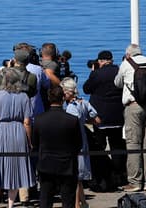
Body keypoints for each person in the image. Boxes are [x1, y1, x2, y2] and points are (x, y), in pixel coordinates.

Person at [0, 66, 34, 208]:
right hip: (18, 132)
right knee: (15, 169)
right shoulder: (24, 97)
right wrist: (29, 140)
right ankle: (11, 204)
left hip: (1, 132)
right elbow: (27, 121)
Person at [114, 42, 146, 191]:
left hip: (134, 106)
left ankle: (135, 181)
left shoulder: (126, 63)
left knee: (133, 143)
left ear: (128, 54)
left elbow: (118, 83)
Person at [30, 86, 80, 208]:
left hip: (46, 164)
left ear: (48, 98)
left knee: (45, 200)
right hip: (67, 164)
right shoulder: (72, 120)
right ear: (63, 99)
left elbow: (35, 143)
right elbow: (78, 144)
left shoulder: (39, 120)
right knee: (68, 201)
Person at [82, 50, 124, 192]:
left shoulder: (97, 74)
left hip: (100, 115)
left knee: (99, 146)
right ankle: (119, 175)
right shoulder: (119, 71)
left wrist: (93, 73)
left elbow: (86, 89)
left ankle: (101, 174)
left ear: (100, 61)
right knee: (117, 146)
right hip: (118, 114)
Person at [60, 79, 98, 208]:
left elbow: (71, 126)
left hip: (74, 143)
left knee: (74, 177)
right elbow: (97, 119)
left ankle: (76, 205)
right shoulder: (83, 103)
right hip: (83, 139)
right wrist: (85, 121)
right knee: (79, 178)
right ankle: (84, 202)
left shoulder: (71, 107)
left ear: (68, 92)